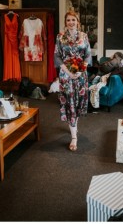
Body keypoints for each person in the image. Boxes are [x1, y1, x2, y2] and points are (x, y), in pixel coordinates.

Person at [54, 10, 92, 152]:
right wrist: (69, 72)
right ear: (66, 22)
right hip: (66, 74)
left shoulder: (84, 36)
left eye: (73, 20)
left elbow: (88, 55)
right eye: (68, 20)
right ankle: (74, 137)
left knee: (78, 102)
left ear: (77, 22)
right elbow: (57, 56)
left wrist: (81, 70)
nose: (71, 22)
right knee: (70, 102)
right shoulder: (60, 37)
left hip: (81, 74)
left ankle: (74, 125)